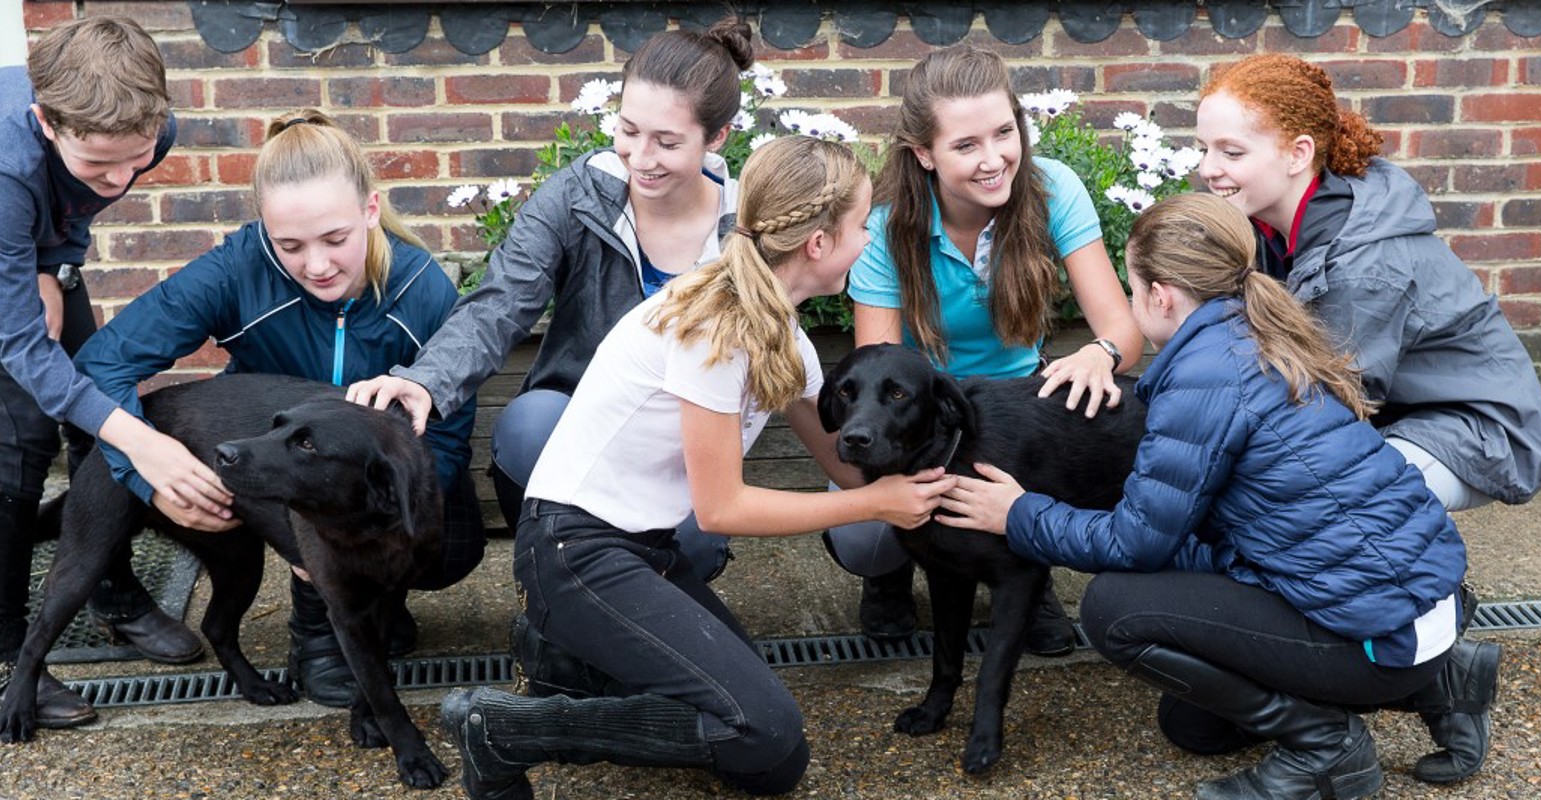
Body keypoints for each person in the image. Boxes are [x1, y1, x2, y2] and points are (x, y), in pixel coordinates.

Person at [438, 135, 953, 799]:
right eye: (862, 226)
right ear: (819, 244)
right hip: (572, 551)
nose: (868, 241)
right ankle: (509, 729)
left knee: (766, 760)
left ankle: (565, 656)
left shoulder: (784, 335)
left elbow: (849, 465)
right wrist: (876, 507)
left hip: (640, 550)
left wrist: (951, 474)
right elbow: (721, 510)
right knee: (764, 737)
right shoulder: (716, 327)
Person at [938, 193, 1501, 799]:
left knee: (1113, 610)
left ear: (1161, 296)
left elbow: (1133, 545)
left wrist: (1019, 513)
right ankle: (1445, 680)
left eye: (1132, 290)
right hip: (1418, 605)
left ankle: (1325, 747)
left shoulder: (1203, 381)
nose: (1130, 305)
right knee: (1194, 727)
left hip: (1378, 635)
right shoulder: (1254, 333)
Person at [346, 22, 754, 685]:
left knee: (698, 539)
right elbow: (501, 300)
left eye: (667, 140)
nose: (639, 155)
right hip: (578, 419)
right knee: (526, 423)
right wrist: (425, 381)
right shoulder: (578, 194)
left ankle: (636, 616)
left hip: (681, 440)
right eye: (627, 129)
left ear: (717, 139)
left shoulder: (745, 228)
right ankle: (559, 593)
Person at [74, 109, 483, 709]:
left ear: (371, 211)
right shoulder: (237, 270)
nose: (316, 266)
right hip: (275, 471)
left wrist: (362, 538)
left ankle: (375, 602)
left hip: (358, 489)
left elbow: (442, 442)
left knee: (454, 543)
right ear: (264, 229)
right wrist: (144, 462)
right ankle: (315, 628)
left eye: (336, 239)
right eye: (289, 245)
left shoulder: (421, 289)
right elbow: (103, 363)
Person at [830, 44, 1144, 654]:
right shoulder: (885, 223)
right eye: (965, 145)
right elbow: (877, 370)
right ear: (924, 153)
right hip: (921, 420)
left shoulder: (1053, 189)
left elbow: (1124, 328)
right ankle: (895, 568)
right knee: (862, 540)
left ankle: (1024, 563)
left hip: (1017, 413)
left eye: (1004, 133)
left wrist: (1098, 353)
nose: (993, 159)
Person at [1194, 53, 1541, 512]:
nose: (1208, 168)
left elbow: (1334, 408)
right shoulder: (1267, 225)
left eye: (1231, 152)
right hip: (1403, 413)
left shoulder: (1364, 265)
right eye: (1203, 148)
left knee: (1318, 494)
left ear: (1298, 154)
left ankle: (1429, 582)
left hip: (1480, 432)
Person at [0, 16, 226, 730]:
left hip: (27, 252)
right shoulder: (7, 171)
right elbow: (24, 350)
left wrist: (52, 264)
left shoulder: (153, 131)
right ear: (46, 122)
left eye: (132, 159)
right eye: (99, 164)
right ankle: (9, 660)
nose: (122, 178)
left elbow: (73, 204)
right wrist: (145, 441)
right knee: (17, 450)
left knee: (94, 409)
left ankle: (110, 590)